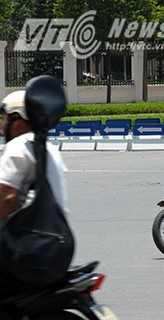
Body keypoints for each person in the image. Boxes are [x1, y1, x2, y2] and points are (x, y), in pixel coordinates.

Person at [0, 90, 69, 296]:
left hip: (28, 249)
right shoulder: (47, 147)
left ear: (18, 119)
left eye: (5, 119)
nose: (3, 127)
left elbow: (6, 198)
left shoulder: (18, 147)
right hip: (58, 245)